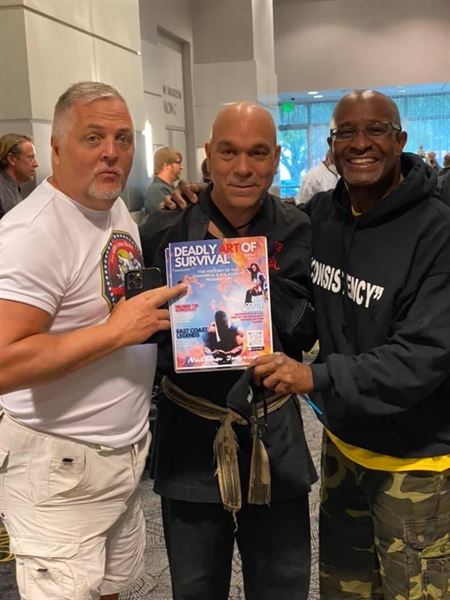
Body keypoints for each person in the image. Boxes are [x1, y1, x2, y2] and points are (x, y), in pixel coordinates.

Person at [252, 90, 450, 600]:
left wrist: (314, 376)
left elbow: (423, 356)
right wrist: (195, 200)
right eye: (346, 132)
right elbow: (274, 251)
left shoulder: (437, 231)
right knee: (345, 590)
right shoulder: (323, 215)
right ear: (331, 144)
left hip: (415, 464)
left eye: (376, 130)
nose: (360, 143)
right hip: (344, 447)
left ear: (400, 139)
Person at [0, 81, 186, 600]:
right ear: (56, 148)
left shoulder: (111, 206)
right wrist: (113, 334)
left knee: (109, 587)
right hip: (59, 464)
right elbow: (3, 363)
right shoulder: (33, 233)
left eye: (123, 139)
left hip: (118, 455)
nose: (111, 152)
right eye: (93, 137)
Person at [139, 102, 317, 600]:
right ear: (208, 156)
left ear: (276, 157)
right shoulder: (164, 230)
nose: (243, 168)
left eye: (258, 153)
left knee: (282, 585)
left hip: (273, 433)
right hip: (191, 433)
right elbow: (145, 336)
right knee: (195, 587)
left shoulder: (300, 229)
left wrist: (255, 283)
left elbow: (309, 330)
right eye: (228, 152)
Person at [0, 133, 38, 218]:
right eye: (30, 158)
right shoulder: (3, 191)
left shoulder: (11, 186)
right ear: (11, 159)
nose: (36, 164)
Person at [144, 145, 183, 214]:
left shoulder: (169, 188)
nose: (181, 167)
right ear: (166, 166)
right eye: (178, 163)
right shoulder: (157, 191)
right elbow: (169, 218)